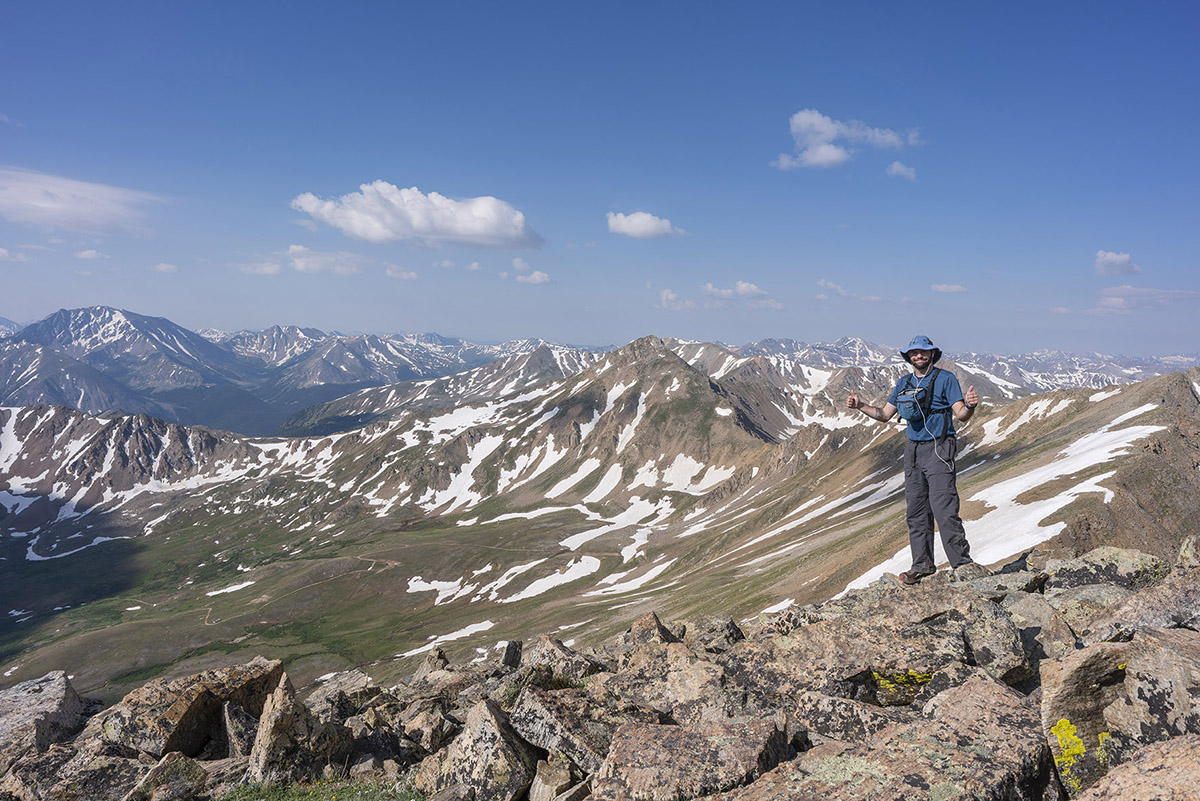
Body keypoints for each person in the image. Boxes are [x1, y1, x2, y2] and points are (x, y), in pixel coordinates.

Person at [846, 334, 987, 584]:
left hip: (939, 448)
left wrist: (971, 405)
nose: (919, 356)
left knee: (944, 509)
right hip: (912, 452)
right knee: (917, 512)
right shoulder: (903, 382)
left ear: (932, 354)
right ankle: (922, 565)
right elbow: (884, 414)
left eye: (924, 352)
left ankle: (962, 564)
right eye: (914, 353)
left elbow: (961, 414)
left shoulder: (946, 379)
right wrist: (860, 405)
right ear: (908, 357)